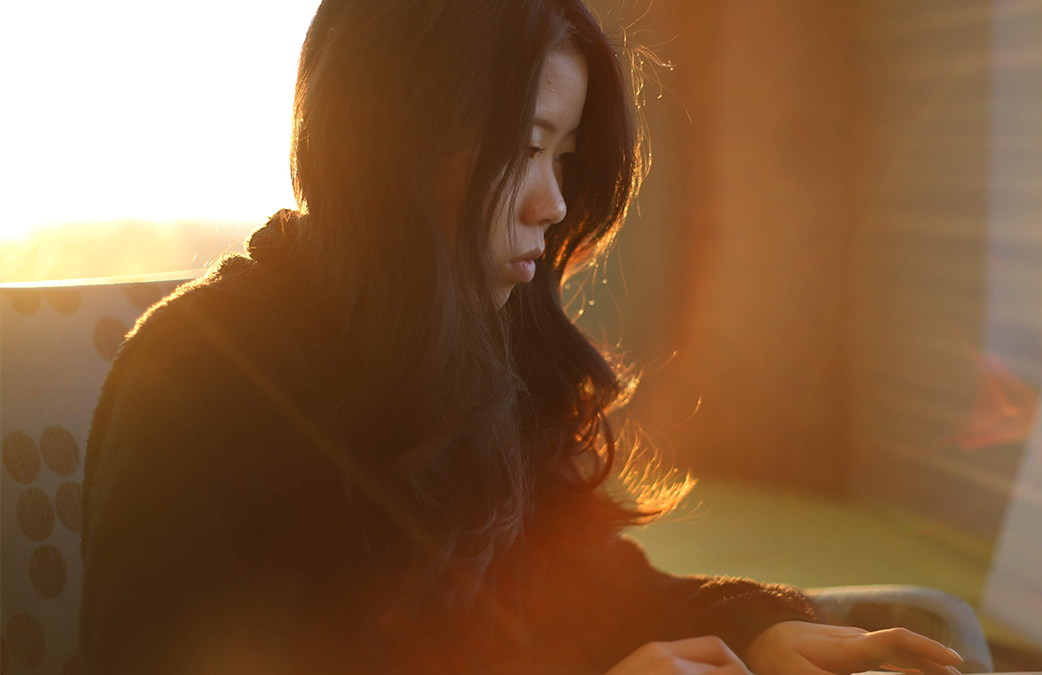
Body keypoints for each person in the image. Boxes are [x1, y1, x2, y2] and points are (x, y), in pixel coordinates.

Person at [79, 1, 969, 673]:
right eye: (525, 147)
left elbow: (579, 581)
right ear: (396, 141)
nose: (552, 205)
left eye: (564, 156)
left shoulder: (476, 344)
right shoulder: (199, 378)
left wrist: (756, 625)